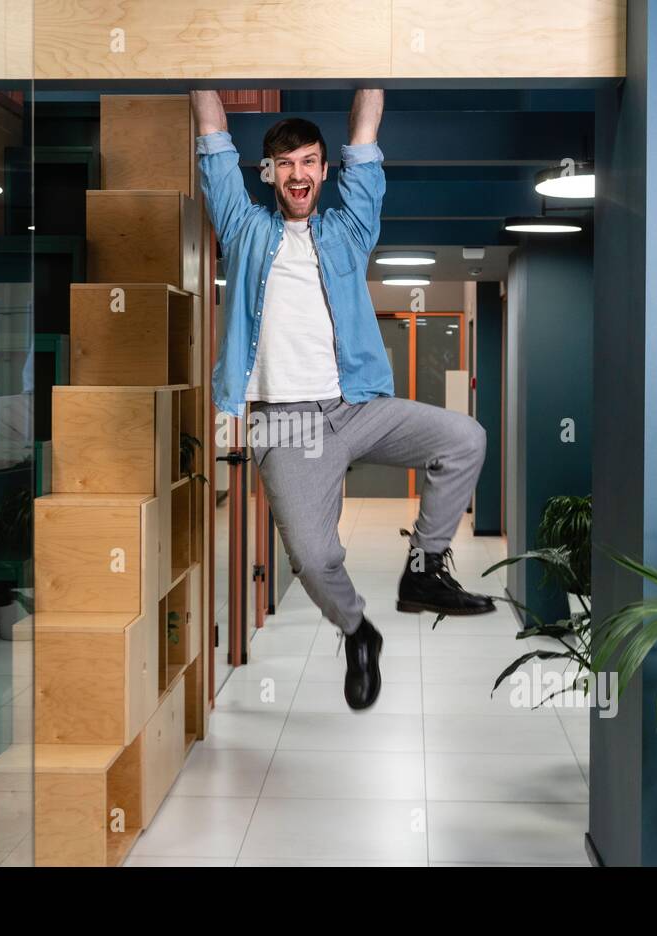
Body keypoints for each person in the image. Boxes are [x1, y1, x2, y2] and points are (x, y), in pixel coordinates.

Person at [190, 88, 495, 712]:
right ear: (269, 173)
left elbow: (365, 137)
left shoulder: (349, 230)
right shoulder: (243, 228)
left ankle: (425, 569)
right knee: (311, 553)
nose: (298, 174)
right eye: (285, 163)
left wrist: (373, 44)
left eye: (309, 161)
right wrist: (197, 58)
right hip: (286, 424)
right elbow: (213, 133)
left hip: (356, 406)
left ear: (324, 171)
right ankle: (358, 630)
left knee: (465, 438)